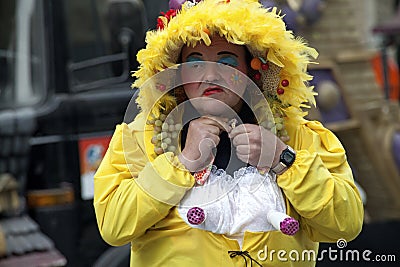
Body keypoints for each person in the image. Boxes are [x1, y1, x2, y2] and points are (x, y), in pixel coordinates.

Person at [93, 1, 364, 266]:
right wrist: (182, 163)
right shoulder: (141, 138)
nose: (211, 75)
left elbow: (346, 225)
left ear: (252, 71)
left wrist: (284, 159)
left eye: (227, 62)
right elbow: (114, 227)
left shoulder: (298, 136)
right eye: (195, 63)